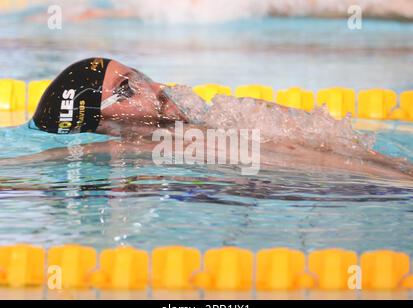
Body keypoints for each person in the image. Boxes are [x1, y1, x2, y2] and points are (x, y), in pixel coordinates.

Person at [3, 57, 413, 180]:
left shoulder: (208, 119)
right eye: (126, 89)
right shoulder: (133, 147)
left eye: (138, 75)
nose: (153, 87)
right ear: (99, 123)